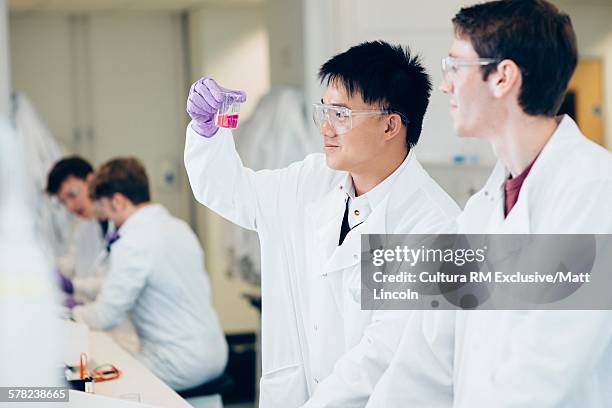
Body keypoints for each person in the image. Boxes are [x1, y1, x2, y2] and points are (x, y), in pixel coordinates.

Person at [184, 41, 460, 407]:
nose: (326, 128)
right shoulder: (310, 180)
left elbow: (381, 356)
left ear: (390, 125)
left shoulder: (434, 225)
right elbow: (229, 191)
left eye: (342, 115)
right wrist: (209, 131)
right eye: (324, 112)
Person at [367, 1, 612, 407]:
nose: (444, 85)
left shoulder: (594, 190)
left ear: (502, 77)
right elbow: (424, 359)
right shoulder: (479, 211)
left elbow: (546, 371)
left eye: (455, 68)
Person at [72, 157, 227, 391]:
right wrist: (77, 288)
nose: (107, 220)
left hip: (177, 362)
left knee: (102, 384)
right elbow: (118, 282)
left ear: (117, 201)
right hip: (215, 353)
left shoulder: (133, 242)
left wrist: (72, 315)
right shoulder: (178, 227)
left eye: (104, 210)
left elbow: (106, 316)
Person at [46, 156, 111, 301]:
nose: (70, 207)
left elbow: (115, 283)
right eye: (63, 202)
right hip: (94, 313)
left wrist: (74, 286)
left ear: (91, 181)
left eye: (72, 195)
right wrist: (45, 268)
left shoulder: (119, 225)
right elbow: (72, 262)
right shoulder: (84, 227)